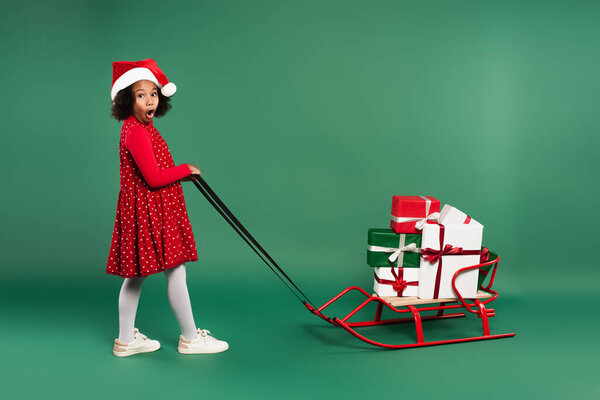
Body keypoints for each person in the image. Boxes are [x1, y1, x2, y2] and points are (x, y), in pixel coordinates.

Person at [106, 59, 228, 357]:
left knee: (136, 276)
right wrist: (186, 169)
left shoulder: (141, 128)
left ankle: (125, 340)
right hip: (150, 211)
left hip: (151, 210)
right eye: (140, 95)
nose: (149, 100)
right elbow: (154, 177)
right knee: (175, 272)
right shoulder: (135, 131)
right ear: (126, 100)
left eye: (153, 94)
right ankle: (189, 337)